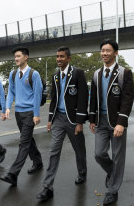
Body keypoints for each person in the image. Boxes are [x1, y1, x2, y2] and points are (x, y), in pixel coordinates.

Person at [36, 46, 88, 201]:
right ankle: (47, 187)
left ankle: (82, 172)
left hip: (73, 120)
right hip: (58, 119)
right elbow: (54, 99)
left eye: (62, 56)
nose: (58, 59)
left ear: (69, 58)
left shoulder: (78, 73)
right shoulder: (55, 76)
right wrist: (50, 119)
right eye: (57, 56)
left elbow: (83, 98)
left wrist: (80, 122)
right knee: (53, 151)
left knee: (79, 149)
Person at [89, 39, 134, 205]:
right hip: (100, 121)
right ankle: (112, 172)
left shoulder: (124, 73)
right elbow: (93, 98)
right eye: (102, 50)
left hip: (116, 122)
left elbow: (127, 100)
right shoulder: (96, 74)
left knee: (117, 156)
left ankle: (112, 190)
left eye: (108, 50)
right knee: (99, 154)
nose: (104, 53)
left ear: (115, 53)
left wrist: (121, 122)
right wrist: (92, 118)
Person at [0, 46, 43, 186]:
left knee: (23, 142)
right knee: (28, 139)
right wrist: (7, 107)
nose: (16, 59)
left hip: (30, 113)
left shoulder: (33, 74)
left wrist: (36, 114)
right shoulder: (13, 74)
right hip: (19, 112)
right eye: (15, 57)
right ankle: (38, 162)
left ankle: (13, 173)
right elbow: (11, 92)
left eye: (18, 56)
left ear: (26, 57)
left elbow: (37, 95)